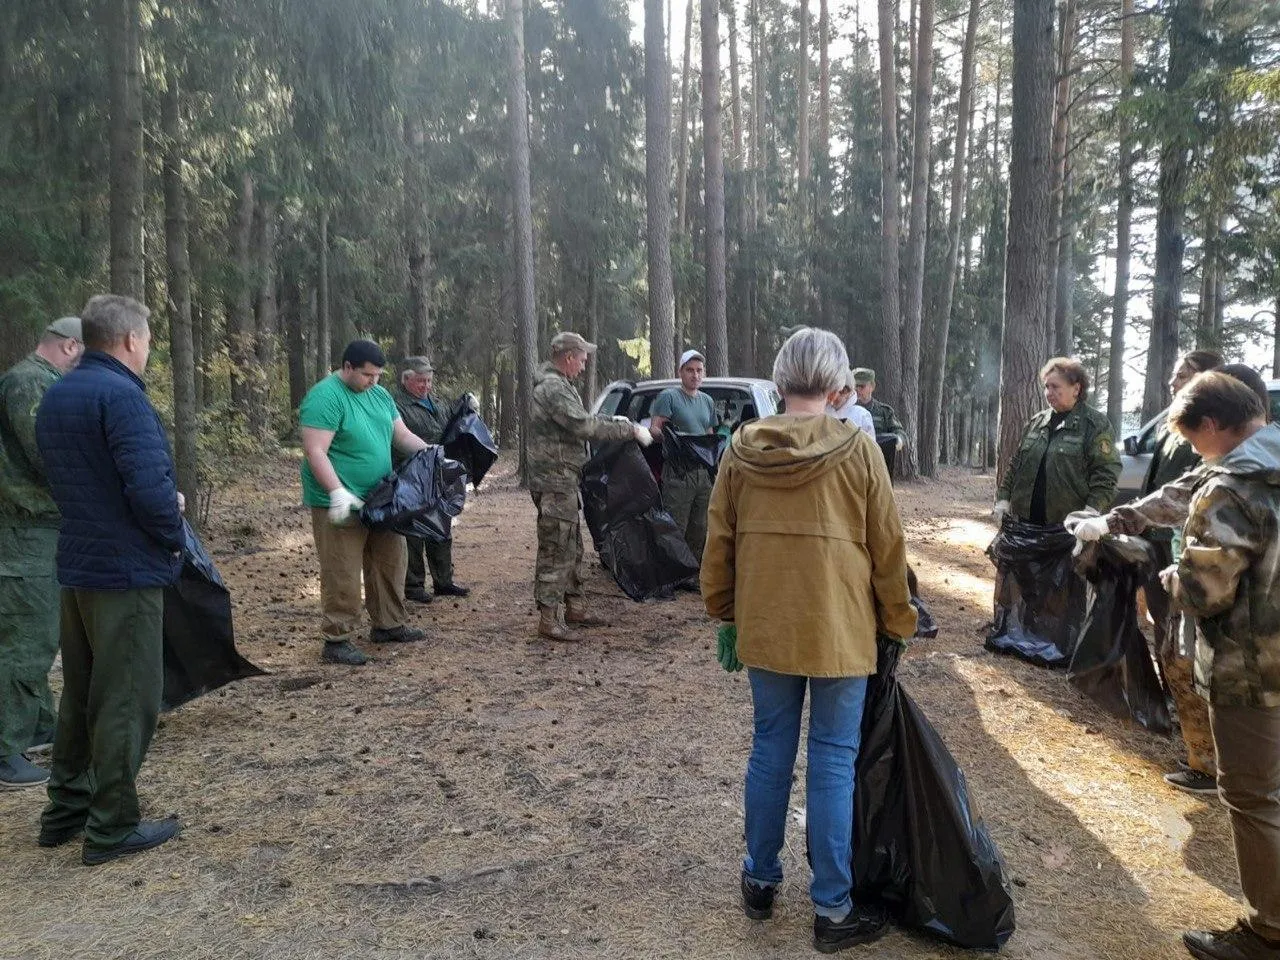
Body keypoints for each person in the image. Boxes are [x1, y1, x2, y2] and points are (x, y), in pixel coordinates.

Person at [701, 327, 917, 952]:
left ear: (779, 379)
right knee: (831, 758)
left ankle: (759, 882)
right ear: (835, 384)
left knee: (770, 749)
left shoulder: (742, 448)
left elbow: (720, 541)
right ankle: (832, 908)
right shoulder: (858, 448)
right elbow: (887, 550)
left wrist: (725, 612)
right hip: (840, 632)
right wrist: (897, 622)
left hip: (766, 628)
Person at [33, 295, 183, 864]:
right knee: (125, 696)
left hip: (78, 565)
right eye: (145, 339)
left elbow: (72, 479)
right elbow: (148, 491)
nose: (146, 348)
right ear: (127, 340)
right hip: (124, 571)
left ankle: (65, 810)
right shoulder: (122, 397)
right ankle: (113, 825)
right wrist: (173, 527)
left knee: (82, 691)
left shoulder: (58, 393)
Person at [1157, 372, 1280, 960]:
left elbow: (1206, 590)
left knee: (1253, 797)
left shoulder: (1231, 487)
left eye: (1192, 438)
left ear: (1211, 426)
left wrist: (1166, 574)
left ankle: (1269, 931)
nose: (1192, 451)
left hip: (1253, 670)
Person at [299, 339, 433, 666]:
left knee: (390, 560)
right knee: (342, 568)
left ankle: (388, 624)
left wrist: (429, 452)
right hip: (340, 499)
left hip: (382, 498)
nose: (372, 381)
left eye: (377, 375)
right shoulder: (325, 397)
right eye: (366, 375)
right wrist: (336, 491)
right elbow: (315, 450)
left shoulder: (380, 395)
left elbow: (399, 435)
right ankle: (337, 638)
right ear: (347, 367)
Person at [0, 318, 84, 789]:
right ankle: (3, 750)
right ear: (71, 346)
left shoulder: (40, 381)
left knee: (42, 631)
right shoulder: (30, 382)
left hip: (42, 527)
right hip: (23, 532)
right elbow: (47, 452)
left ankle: (35, 728)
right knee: (24, 638)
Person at [528, 331, 650, 641]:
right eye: (582, 360)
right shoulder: (554, 388)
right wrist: (629, 430)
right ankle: (548, 619)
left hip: (564, 478)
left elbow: (583, 420)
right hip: (555, 479)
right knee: (557, 547)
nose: (583, 367)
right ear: (568, 357)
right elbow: (583, 425)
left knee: (572, 546)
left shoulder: (560, 385)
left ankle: (575, 607)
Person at [993, 357, 1121, 525]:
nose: (1048, 392)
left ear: (1076, 389)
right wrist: (1003, 500)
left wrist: (1091, 511)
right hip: (1025, 522)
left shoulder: (1095, 424)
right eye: (1046, 386)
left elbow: (1106, 473)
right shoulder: (1036, 423)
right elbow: (1016, 465)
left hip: (1068, 526)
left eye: (1055, 386)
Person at [392, 356, 470, 604]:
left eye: (428, 380)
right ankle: (413, 586)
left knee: (441, 525)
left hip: (438, 474)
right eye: (420, 381)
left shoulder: (436, 402)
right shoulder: (396, 405)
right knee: (414, 531)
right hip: (410, 474)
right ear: (406, 380)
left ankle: (443, 581)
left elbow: (448, 429)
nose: (425, 386)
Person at [649, 349, 716, 565]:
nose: (695, 375)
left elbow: (709, 435)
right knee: (675, 525)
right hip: (678, 472)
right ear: (681, 372)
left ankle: (692, 571)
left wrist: (713, 464)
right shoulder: (669, 397)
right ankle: (671, 572)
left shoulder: (707, 401)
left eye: (699, 370)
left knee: (700, 525)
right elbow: (654, 430)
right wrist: (671, 437)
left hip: (702, 473)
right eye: (690, 370)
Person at [851, 368, 907, 474]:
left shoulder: (883, 412)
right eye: (855, 386)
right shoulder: (845, 411)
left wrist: (897, 441)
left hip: (879, 466)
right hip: (854, 466)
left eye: (862, 386)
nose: (857, 390)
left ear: (872, 386)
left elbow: (900, 432)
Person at [826, 369, 875, 439]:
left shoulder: (861, 415)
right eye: (832, 390)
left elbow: (871, 448)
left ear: (850, 392)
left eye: (841, 391)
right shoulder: (819, 412)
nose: (835, 396)